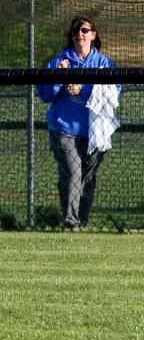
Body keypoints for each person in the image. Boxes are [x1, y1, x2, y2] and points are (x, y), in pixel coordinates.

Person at [37, 16, 121, 231]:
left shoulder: (104, 64)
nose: (79, 34)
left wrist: (82, 88)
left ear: (93, 35)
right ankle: (71, 222)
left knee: (87, 177)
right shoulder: (60, 62)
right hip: (63, 129)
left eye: (84, 30)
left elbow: (113, 95)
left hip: (95, 132)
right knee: (74, 172)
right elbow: (44, 94)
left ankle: (82, 221)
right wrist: (59, 77)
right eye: (75, 31)